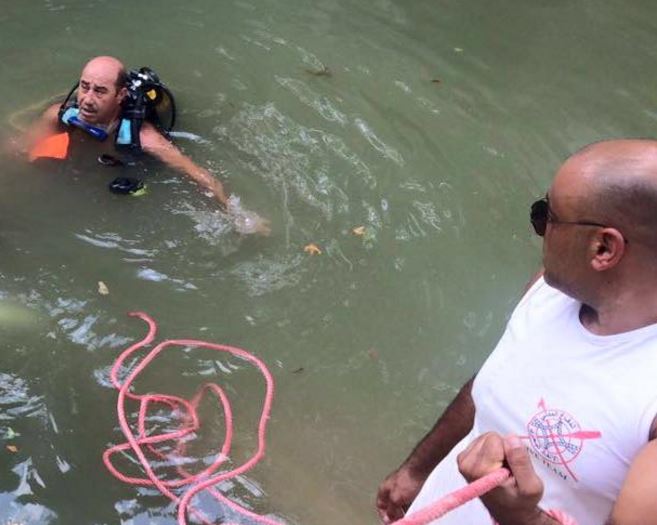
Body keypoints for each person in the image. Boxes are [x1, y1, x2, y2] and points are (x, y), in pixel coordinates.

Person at [376, 139, 657, 525]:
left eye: (547, 216)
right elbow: (494, 381)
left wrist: (522, 518)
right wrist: (417, 469)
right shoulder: (548, 291)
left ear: (604, 249)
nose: (538, 230)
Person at [20, 56, 269, 235]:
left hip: (132, 168)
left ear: (120, 95)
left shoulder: (145, 137)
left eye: (100, 91)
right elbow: (22, 148)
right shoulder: (59, 114)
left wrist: (238, 215)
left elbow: (198, 174)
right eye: (85, 87)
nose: (87, 100)